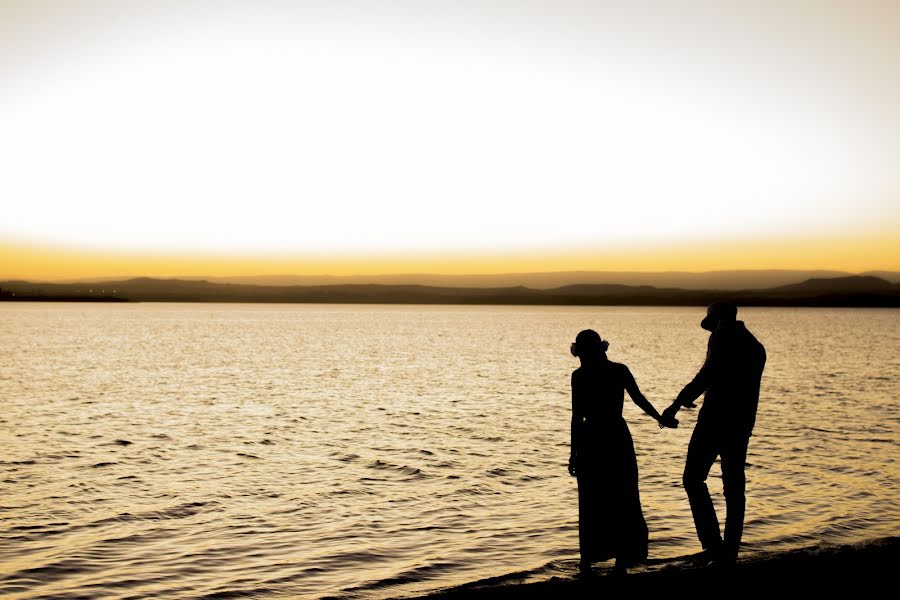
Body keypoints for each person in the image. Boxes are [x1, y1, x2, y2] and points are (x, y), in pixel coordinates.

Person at [661, 302, 766, 566]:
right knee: (733, 485)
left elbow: (708, 373)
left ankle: (713, 545)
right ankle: (729, 550)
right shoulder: (754, 345)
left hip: (715, 419)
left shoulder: (721, 335)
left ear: (717, 320)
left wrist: (677, 403)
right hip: (742, 422)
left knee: (693, 479)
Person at [568, 329, 677, 574]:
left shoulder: (580, 375)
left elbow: (577, 417)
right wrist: (659, 417)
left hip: (592, 438)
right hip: (616, 436)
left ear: (583, 352)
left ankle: (587, 561)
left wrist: (573, 452)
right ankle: (621, 559)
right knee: (622, 497)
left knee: (591, 500)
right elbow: (638, 399)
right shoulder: (619, 370)